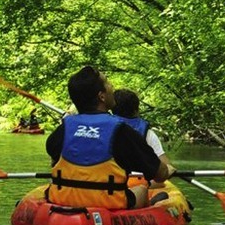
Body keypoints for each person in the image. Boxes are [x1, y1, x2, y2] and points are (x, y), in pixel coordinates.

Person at [45, 66, 176, 209]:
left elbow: (54, 157)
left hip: (64, 201)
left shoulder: (63, 129)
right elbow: (159, 174)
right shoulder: (121, 131)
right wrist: (167, 170)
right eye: (107, 82)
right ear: (101, 96)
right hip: (108, 203)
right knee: (141, 190)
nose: (112, 86)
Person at [111, 89, 171, 168]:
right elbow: (166, 165)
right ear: (136, 110)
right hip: (139, 175)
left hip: (112, 175)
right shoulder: (148, 134)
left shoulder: (105, 130)